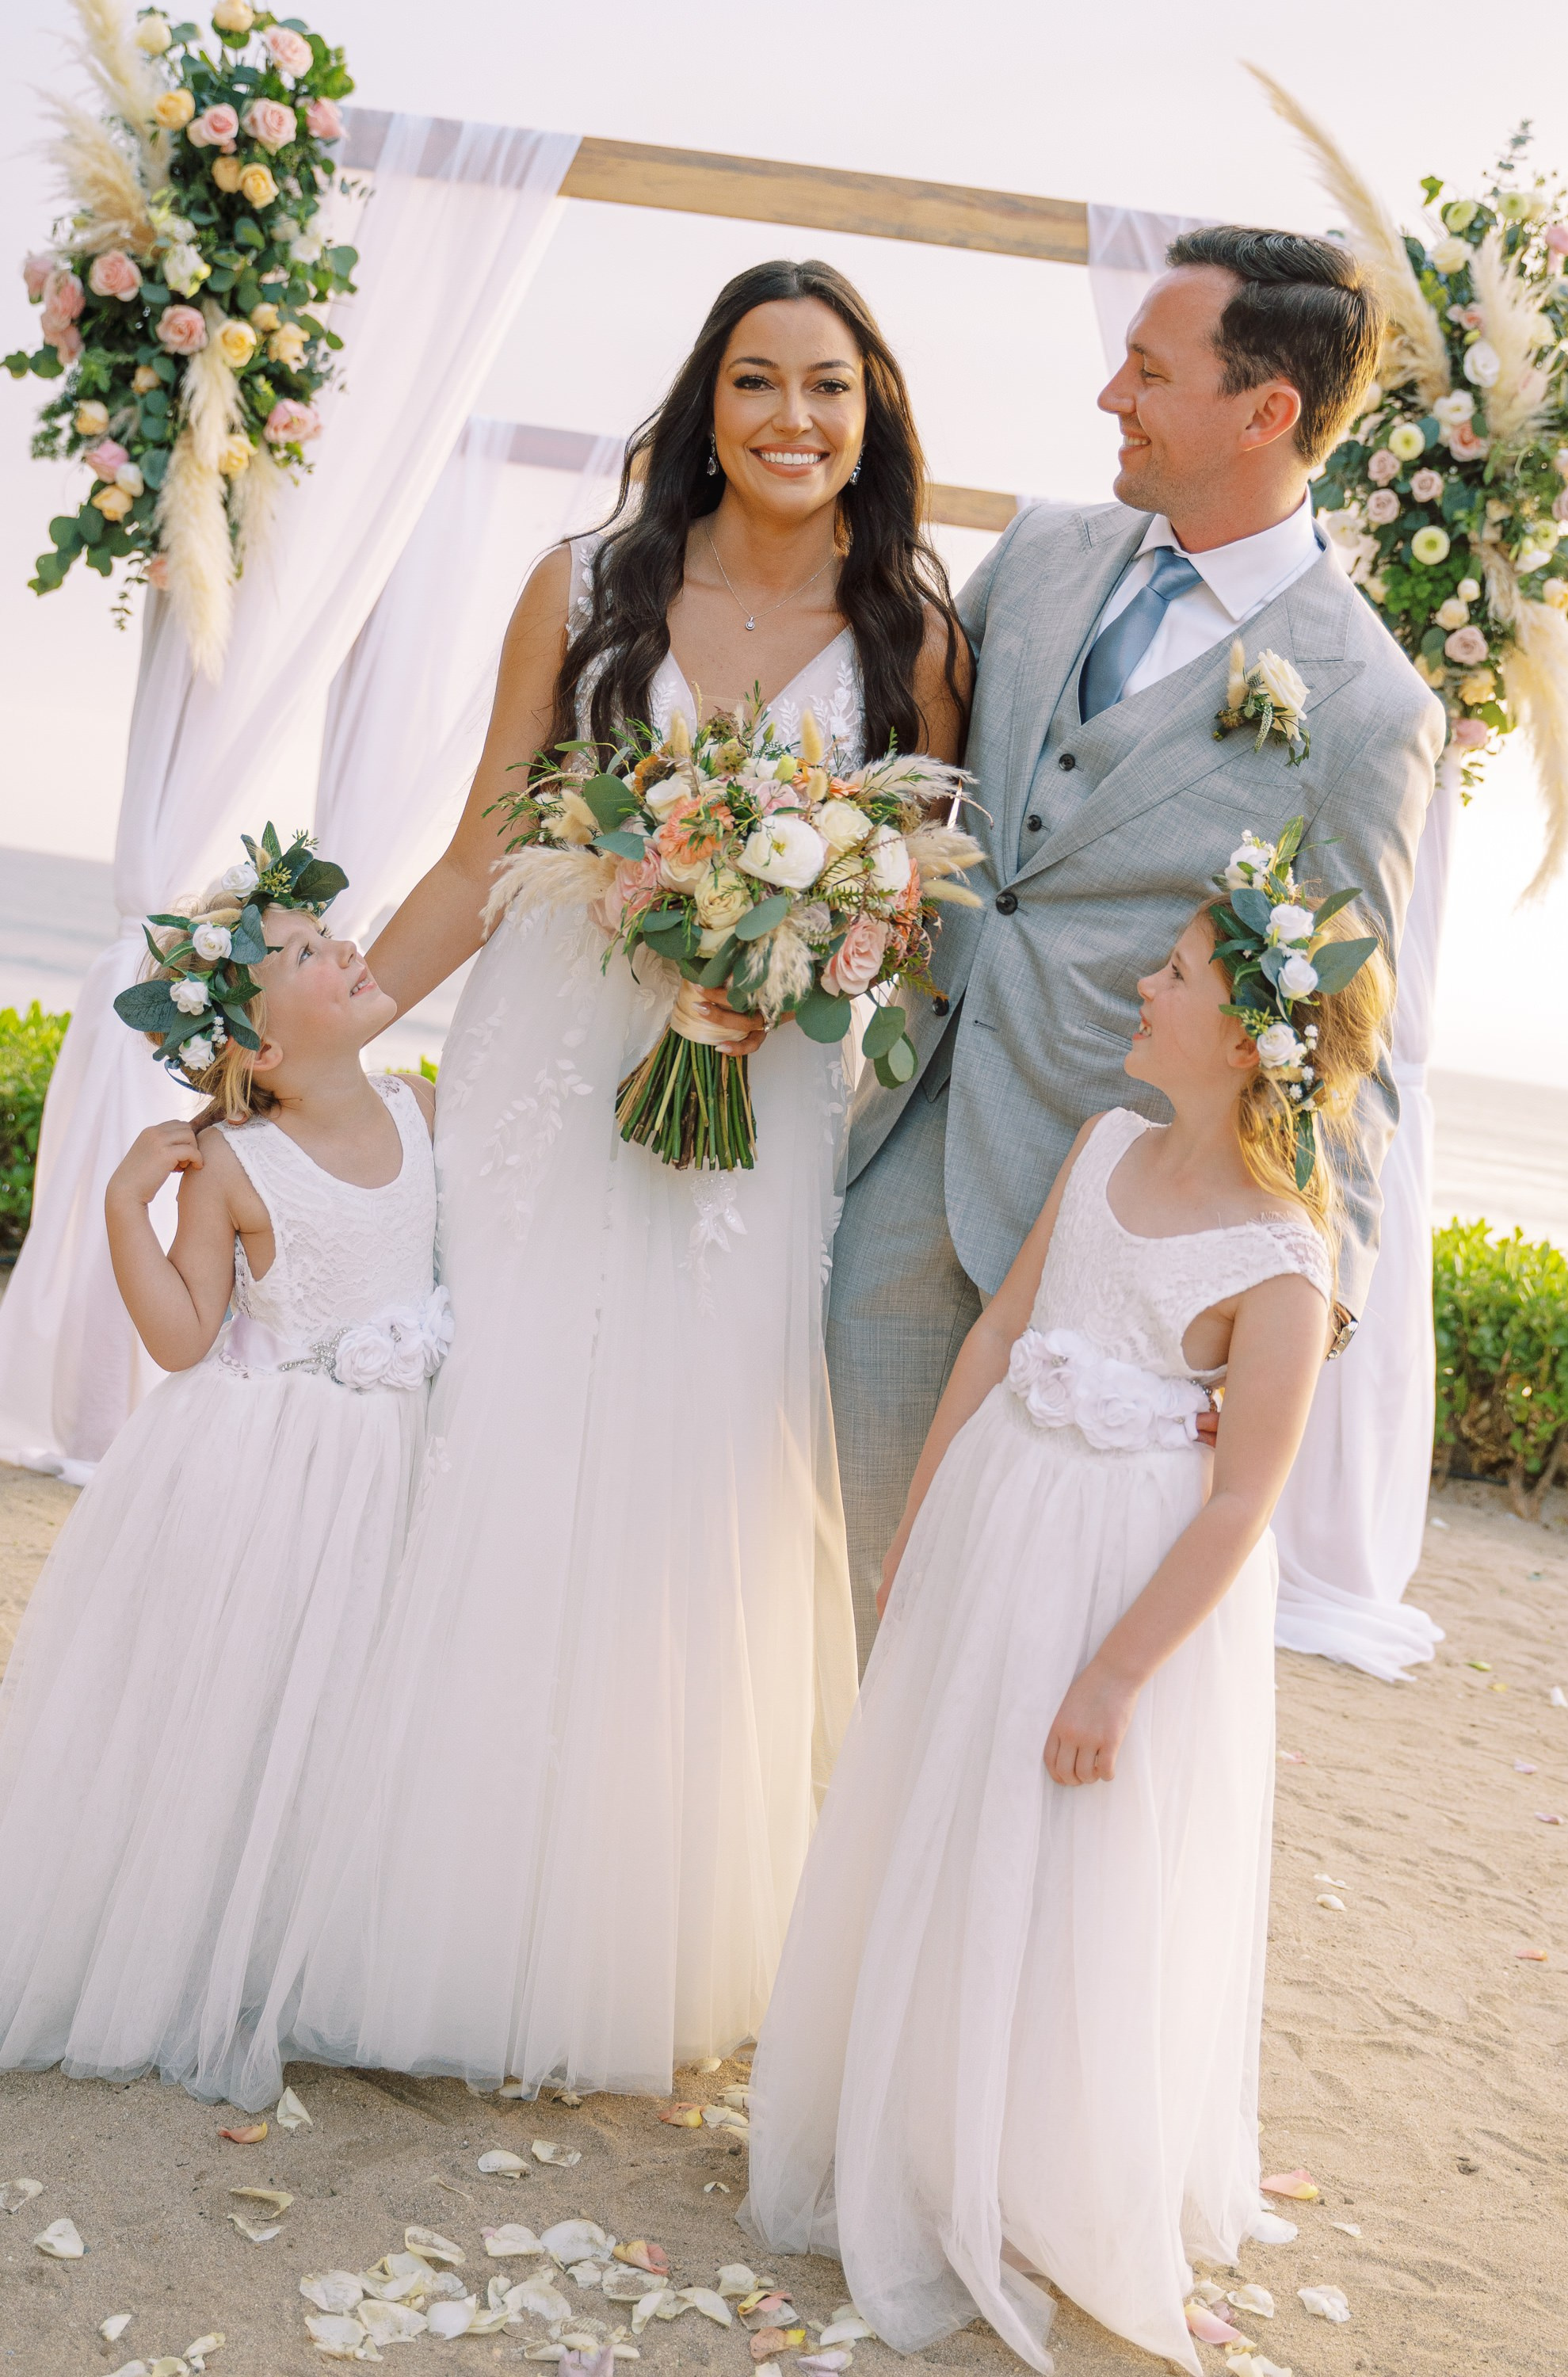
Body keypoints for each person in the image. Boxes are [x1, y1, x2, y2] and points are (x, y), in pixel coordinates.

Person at [235, 260, 970, 2109]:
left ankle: (631, 1929)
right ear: (705, 401)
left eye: (827, 386)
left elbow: (907, 913)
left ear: (871, 413)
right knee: (500, 1429)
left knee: (693, 1471)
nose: (792, 418)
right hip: (549, 1076)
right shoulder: (584, 587)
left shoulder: (915, 635)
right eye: (756, 380)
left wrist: (796, 961)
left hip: (756, 1102)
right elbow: (488, 845)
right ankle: (419, 1901)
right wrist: (332, 1033)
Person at [742, 865, 1392, 2374]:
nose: (1143, 988)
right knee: (957, 1805)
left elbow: (1241, 1505)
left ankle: (1034, 2166)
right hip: (1002, 1524)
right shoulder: (1102, 1143)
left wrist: (1114, 1677)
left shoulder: (1284, 1263)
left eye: (1177, 975)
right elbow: (997, 1329)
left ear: (1252, 1041)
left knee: (1075, 1858)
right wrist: (922, 1522)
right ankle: (920, 2120)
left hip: (1123, 1584)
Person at [828, 224, 1445, 1669]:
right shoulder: (1042, 554)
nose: (1113, 395)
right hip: (910, 1146)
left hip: (1120, 1240)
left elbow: (1348, 1040)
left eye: (1150, 372)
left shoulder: (1369, 709)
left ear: (1267, 411)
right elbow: (913, 776)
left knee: (1025, 1635)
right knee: (845, 1579)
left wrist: (1302, 1313)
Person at [0, 836, 447, 2101]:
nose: (343, 947)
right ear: (257, 1051)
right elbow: (186, 1336)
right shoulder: (240, 1168)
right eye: (302, 954)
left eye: (326, 933)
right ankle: (209, 1940)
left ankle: (320, 1943)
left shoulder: (424, 1107)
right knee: (254, 1702)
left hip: (401, 1459)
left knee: (361, 1705)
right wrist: (123, 1210)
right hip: (280, 1478)